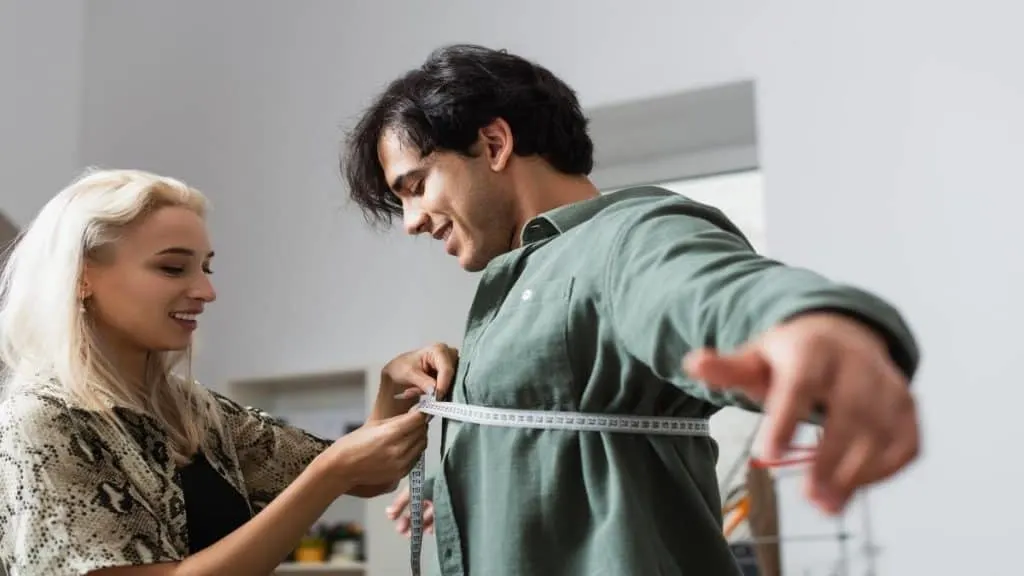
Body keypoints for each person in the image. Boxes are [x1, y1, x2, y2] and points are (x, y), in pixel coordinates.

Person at [342, 44, 922, 576]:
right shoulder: (521, 284)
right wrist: (477, 485)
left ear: (494, 145)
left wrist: (808, 328)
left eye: (415, 186)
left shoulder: (627, 237)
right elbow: (567, 445)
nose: (412, 221)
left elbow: (709, 290)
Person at [0, 168, 457, 575]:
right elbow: (337, 471)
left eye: (206, 267)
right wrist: (329, 476)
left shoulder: (191, 411)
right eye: (173, 267)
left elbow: (370, 475)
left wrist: (392, 388)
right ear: (82, 277)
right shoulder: (42, 421)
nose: (205, 290)